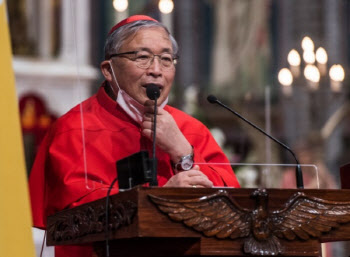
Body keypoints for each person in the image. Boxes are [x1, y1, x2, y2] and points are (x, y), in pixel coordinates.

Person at [29, 15, 240, 257]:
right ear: (109, 70)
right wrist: (161, 199)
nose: (156, 70)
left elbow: (233, 207)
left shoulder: (190, 130)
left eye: (166, 59)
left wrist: (183, 153)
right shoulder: (74, 129)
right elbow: (75, 214)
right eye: (142, 58)